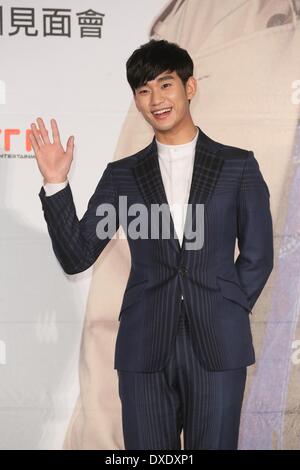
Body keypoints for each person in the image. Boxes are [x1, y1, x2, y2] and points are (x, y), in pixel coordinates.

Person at [30, 39, 273, 450]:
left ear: (189, 87)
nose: (155, 99)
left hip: (218, 347)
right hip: (144, 348)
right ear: (136, 101)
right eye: (143, 90)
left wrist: (226, 307)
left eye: (165, 85)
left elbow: (258, 255)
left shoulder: (238, 166)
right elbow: (77, 255)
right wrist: (56, 183)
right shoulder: (123, 176)